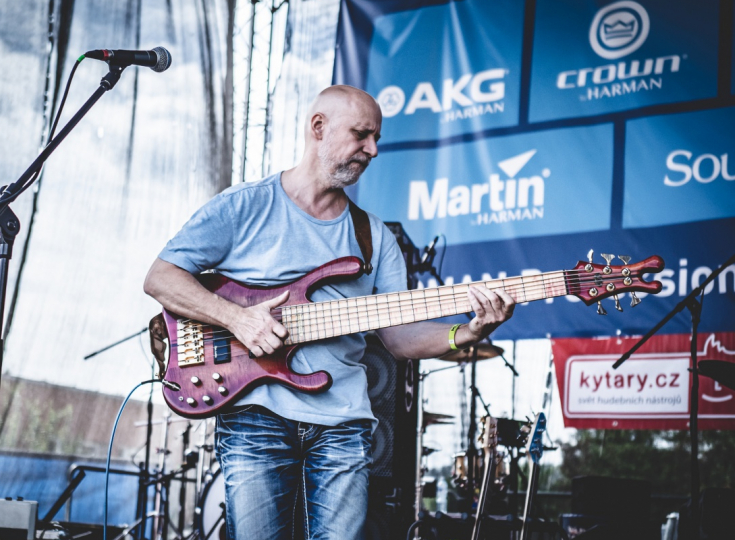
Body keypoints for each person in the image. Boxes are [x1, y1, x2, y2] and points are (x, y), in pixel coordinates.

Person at [143, 85, 515, 540]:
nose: (372, 150)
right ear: (319, 128)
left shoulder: (374, 237)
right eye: (362, 135)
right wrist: (237, 319)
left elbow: (398, 341)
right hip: (256, 415)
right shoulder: (246, 205)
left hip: (342, 425)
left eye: (376, 138)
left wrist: (470, 331)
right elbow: (161, 277)